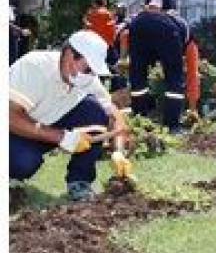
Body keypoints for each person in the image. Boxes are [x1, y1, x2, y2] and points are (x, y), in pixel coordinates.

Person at [9, 30, 129, 202]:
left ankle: (80, 181)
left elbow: (114, 114)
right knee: (23, 164)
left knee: (95, 110)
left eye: (93, 72)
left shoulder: (86, 79)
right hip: (13, 131)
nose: (90, 76)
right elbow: (9, 116)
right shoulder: (34, 66)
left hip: (44, 129)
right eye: (87, 68)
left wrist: (118, 151)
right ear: (69, 55)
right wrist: (62, 137)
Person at [129, 6, 191, 131]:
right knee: (174, 78)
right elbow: (180, 62)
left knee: (138, 75)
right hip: (165, 30)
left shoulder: (168, 19)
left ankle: (139, 119)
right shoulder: (184, 32)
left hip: (138, 25)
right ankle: (172, 125)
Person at [9, 0, 32, 65]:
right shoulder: (9, 9)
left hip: (13, 39)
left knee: (12, 62)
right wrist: (21, 30)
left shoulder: (13, 11)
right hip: (10, 40)